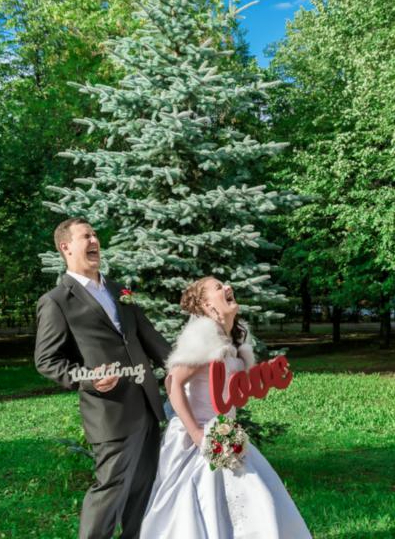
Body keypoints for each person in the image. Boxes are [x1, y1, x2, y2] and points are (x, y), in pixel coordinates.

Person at [140, 276, 313, 538]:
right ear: (207, 306)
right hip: (197, 436)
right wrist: (197, 434)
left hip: (227, 434)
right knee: (199, 499)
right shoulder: (203, 338)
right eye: (219, 288)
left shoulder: (235, 342)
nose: (228, 287)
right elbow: (173, 384)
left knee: (257, 495)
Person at [34, 217, 171, 539]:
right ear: (66, 247)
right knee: (110, 490)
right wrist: (88, 379)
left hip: (147, 404)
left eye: (95, 235)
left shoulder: (118, 290)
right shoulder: (57, 301)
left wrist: (183, 364)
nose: (94, 240)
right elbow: (46, 361)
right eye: (86, 236)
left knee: (144, 489)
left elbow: (149, 337)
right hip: (110, 411)